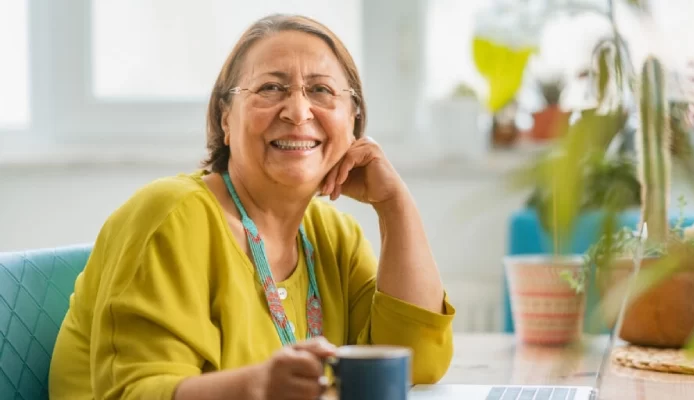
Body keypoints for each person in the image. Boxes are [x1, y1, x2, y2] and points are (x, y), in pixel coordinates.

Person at [49, 13, 455, 400]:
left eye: (321, 90)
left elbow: (412, 364)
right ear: (226, 119)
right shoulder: (172, 216)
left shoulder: (333, 237)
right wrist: (256, 390)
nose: (298, 111)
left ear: (352, 122)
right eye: (270, 88)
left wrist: (395, 205)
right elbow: (133, 393)